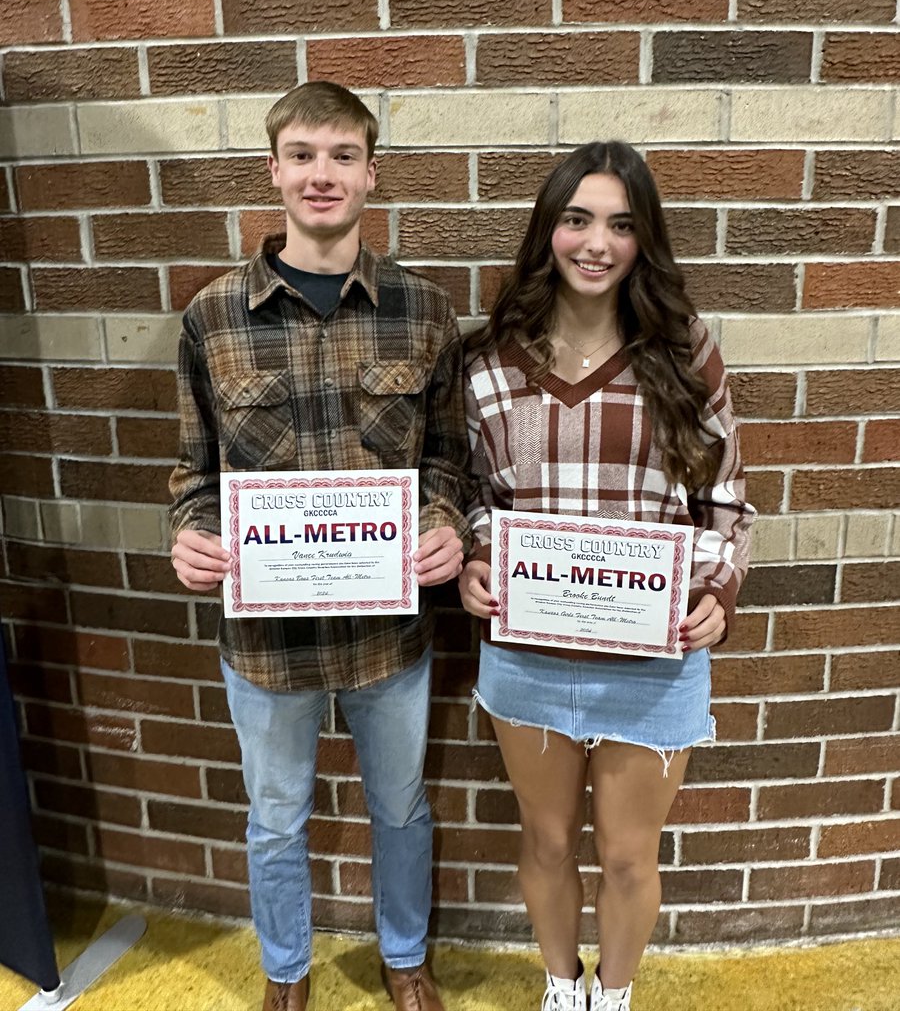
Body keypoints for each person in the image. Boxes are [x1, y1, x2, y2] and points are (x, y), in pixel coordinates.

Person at [169, 81, 472, 1011]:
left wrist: (446, 528)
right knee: (274, 822)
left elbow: (452, 461)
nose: (321, 174)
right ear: (273, 170)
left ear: (372, 175)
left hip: (389, 635)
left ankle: (405, 956)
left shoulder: (424, 314)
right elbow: (194, 472)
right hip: (267, 644)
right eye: (301, 155)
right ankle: (286, 973)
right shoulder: (212, 317)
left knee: (401, 809)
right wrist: (190, 537)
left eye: (342, 156)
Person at [458, 141, 754, 1011]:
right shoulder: (490, 360)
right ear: (548, 231)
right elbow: (476, 495)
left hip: (652, 656)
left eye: (622, 224)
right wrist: (479, 561)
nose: (597, 242)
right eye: (577, 218)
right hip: (531, 650)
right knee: (546, 842)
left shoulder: (685, 350)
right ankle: (560, 986)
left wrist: (713, 594)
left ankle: (613, 996)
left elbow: (727, 498)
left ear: (643, 241)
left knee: (628, 856)